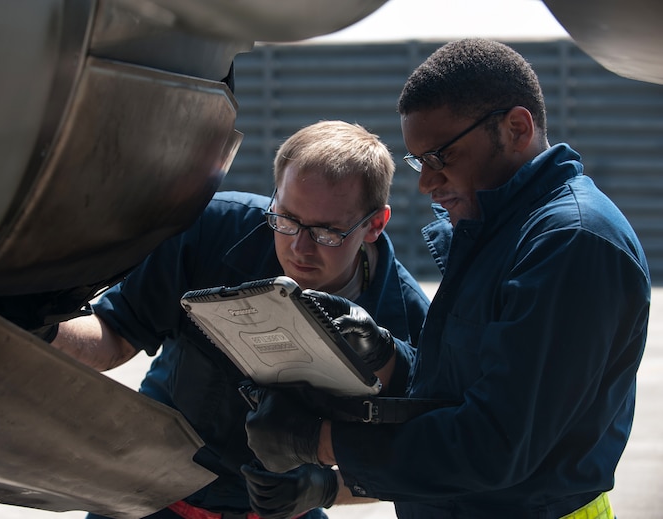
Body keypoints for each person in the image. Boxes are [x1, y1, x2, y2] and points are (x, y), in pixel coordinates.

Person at [244, 38, 651, 519]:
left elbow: (494, 443)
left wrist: (320, 442)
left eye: (440, 157)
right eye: (420, 161)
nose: (426, 182)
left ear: (516, 128)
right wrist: (385, 356)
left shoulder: (572, 242)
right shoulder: (499, 231)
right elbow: (458, 393)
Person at [51, 120, 431, 519]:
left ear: (375, 224)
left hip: (283, 509)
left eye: (326, 232)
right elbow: (116, 334)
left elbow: (421, 458)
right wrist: (44, 329)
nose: (298, 248)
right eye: (286, 218)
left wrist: (324, 489)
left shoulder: (407, 322)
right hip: (151, 494)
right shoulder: (213, 229)